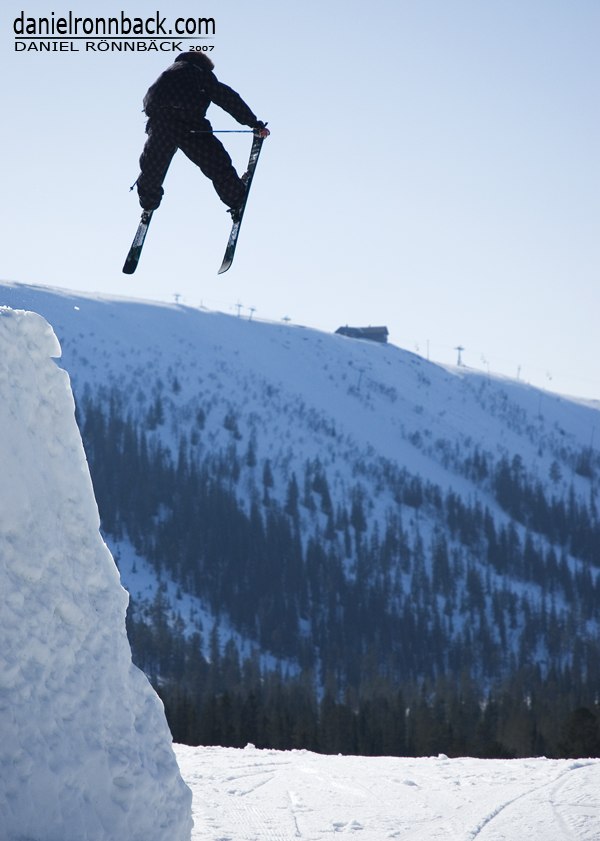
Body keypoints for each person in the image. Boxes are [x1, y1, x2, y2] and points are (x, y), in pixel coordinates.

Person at [135, 52, 269, 221]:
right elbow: (226, 98)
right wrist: (254, 123)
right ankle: (236, 198)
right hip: (189, 124)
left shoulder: (167, 73)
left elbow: (148, 100)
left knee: (152, 167)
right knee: (214, 162)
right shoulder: (200, 73)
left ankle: (147, 203)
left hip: (160, 125)